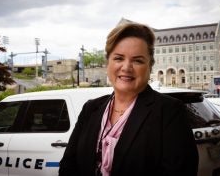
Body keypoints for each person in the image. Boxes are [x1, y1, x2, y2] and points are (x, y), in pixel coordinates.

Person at [59, 23, 198, 176]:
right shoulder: (91, 108)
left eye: (137, 60)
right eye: (118, 58)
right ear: (108, 63)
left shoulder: (170, 111)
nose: (126, 67)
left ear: (150, 66)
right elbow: (68, 165)